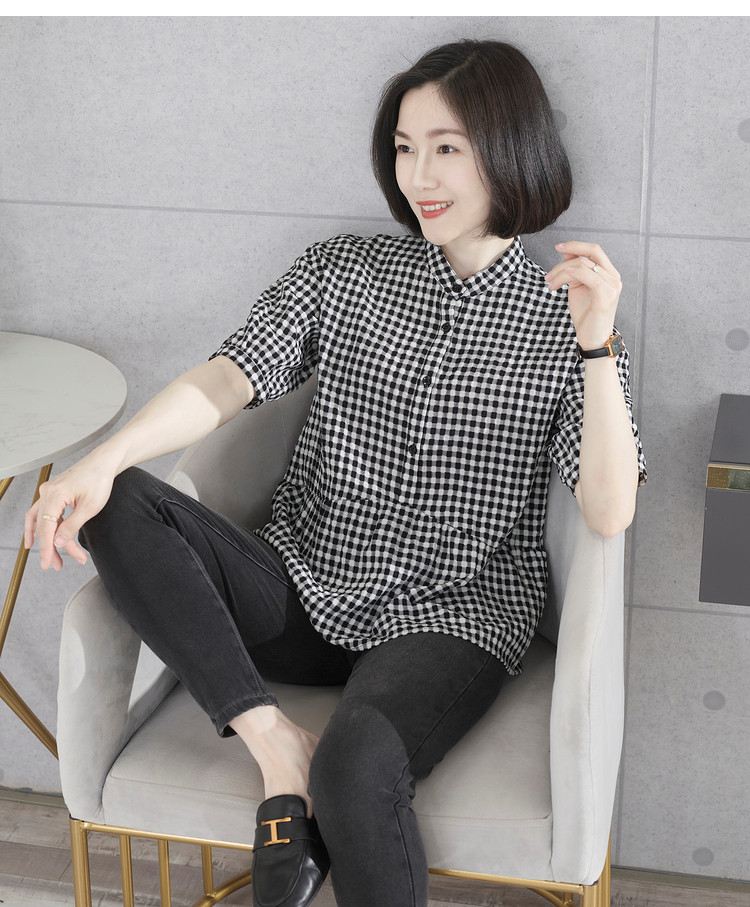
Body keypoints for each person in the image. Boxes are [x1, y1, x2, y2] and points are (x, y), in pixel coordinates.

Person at [26, 39, 646, 907]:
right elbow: (229, 376)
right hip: (306, 583)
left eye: (446, 147)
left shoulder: (563, 320)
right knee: (119, 498)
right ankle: (275, 745)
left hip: (451, 614)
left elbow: (609, 509)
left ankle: (313, 770)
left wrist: (597, 343)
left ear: (509, 149)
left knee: (356, 769)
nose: (418, 176)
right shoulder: (342, 271)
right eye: (404, 147)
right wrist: (100, 461)